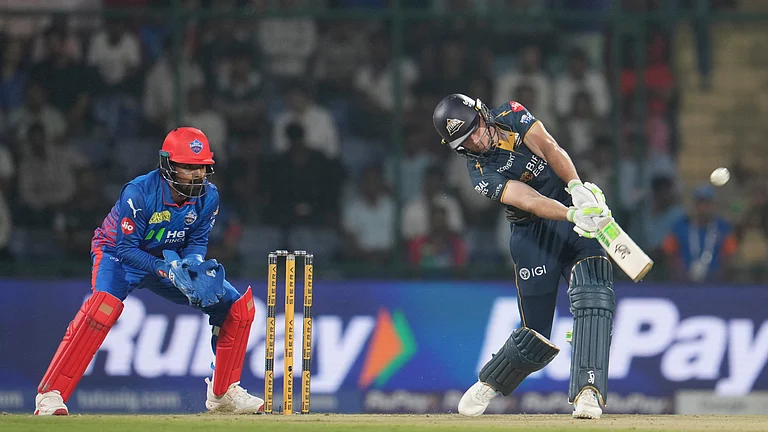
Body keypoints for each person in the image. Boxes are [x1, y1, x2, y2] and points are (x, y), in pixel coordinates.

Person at [34, 127, 263, 416]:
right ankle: (50, 395)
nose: (196, 174)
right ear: (167, 165)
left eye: (201, 167)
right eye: (188, 167)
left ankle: (223, 394)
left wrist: (189, 264)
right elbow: (127, 250)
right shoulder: (138, 193)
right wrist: (167, 270)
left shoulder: (209, 196)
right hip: (117, 255)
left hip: (170, 259)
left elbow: (198, 240)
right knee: (102, 307)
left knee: (235, 307)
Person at [432, 94, 614, 419]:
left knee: (595, 296)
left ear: (481, 114)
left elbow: (549, 147)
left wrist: (576, 186)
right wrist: (572, 215)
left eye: (474, 129)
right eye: (465, 141)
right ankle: (490, 381)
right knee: (536, 336)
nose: (475, 140)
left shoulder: (512, 114)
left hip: (568, 210)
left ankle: (588, 392)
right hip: (533, 236)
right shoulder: (479, 172)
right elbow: (528, 199)